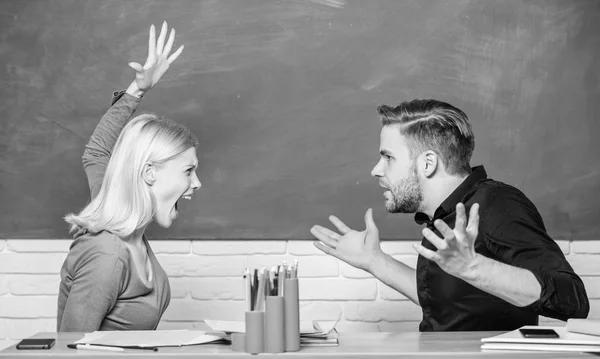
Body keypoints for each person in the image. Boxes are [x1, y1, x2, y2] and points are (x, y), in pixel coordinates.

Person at [310, 99, 589, 331]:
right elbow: (449, 305)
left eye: (388, 157)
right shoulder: (441, 218)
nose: (376, 169)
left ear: (428, 163)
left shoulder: (497, 205)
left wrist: (474, 268)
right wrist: (375, 262)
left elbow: (572, 298)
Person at [57, 22, 199, 331]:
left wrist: (138, 90)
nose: (197, 182)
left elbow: (96, 153)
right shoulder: (107, 255)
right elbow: (70, 352)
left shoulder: (116, 212)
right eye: (189, 170)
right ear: (149, 173)